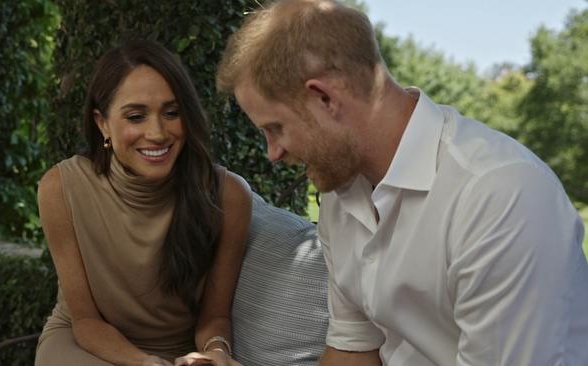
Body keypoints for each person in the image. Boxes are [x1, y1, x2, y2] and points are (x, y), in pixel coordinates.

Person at [216, 0, 588, 365]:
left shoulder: (500, 196)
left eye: (275, 128)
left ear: (324, 97)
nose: (273, 153)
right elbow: (353, 350)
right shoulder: (341, 194)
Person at [36, 39, 251, 366]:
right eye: (136, 116)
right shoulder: (60, 188)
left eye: (172, 112)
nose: (157, 132)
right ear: (102, 123)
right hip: (85, 347)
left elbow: (214, 318)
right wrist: (142, 362)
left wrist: (216, 353)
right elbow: (84, 321)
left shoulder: (228, 195)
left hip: (177, 356)